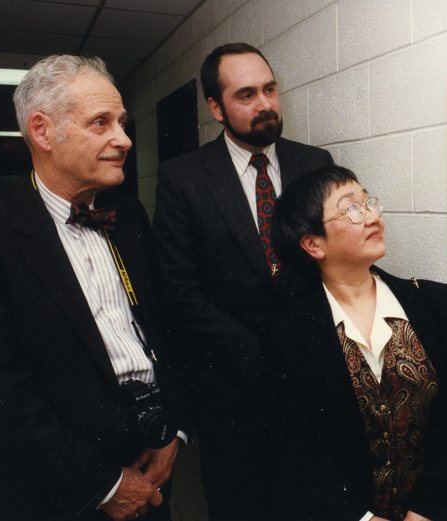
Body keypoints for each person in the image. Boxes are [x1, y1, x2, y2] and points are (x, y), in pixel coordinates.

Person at [0, 55, 185, 521]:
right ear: (42, 132)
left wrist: (173, 436)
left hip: (150, 460)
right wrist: (103, 485)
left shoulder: (130, 217)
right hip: (58, 488)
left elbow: (164, 331)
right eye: (101, 122)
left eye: (121, 123)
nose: (123, 139)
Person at [152, 43, 333, 519]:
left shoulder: (315, 163)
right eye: (246, 95)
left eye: (270, 89)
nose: (265, 104)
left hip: (308, 382)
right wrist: (256, 352)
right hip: (231, 389)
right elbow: (178, 289)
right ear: (216, 107)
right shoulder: (183, 177)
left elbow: (330, 260)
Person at [268, 165, 447, 521]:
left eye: (369, 203)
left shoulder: (437, 304)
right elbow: (293, 444)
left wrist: (427, 508)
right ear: (313, 244)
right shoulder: (286, 330)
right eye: (352, 208)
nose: (371, 216)